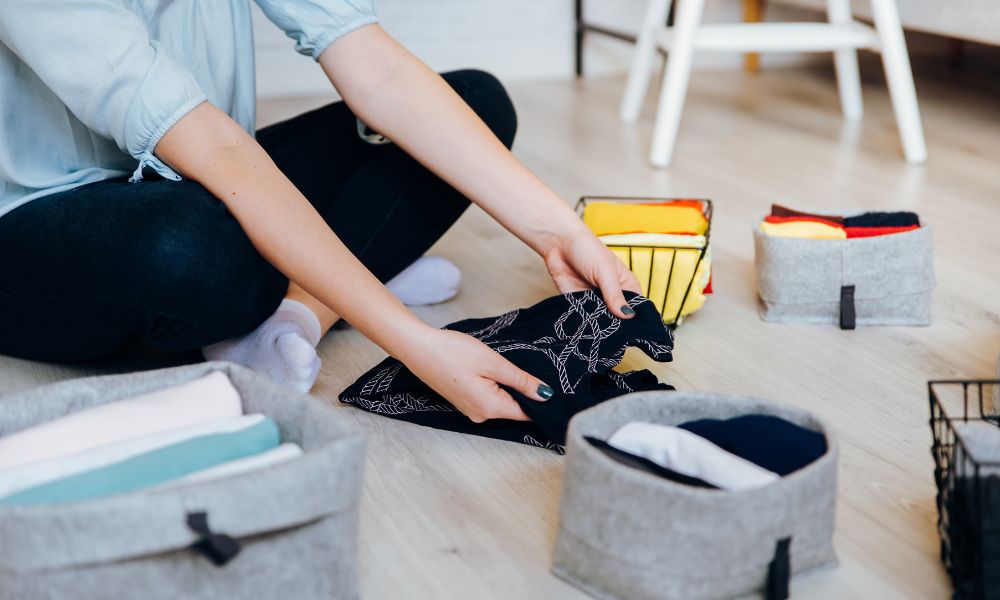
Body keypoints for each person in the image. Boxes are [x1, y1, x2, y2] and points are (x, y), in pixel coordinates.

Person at [0, 1, 640, 424]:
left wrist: (561, 232)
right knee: (189, 249)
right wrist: (416, 343)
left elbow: (375, 67)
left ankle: (296, 313)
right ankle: (344, 270)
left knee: (474, 100)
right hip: (48, 221)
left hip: (210, 179)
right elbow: (214, 148)